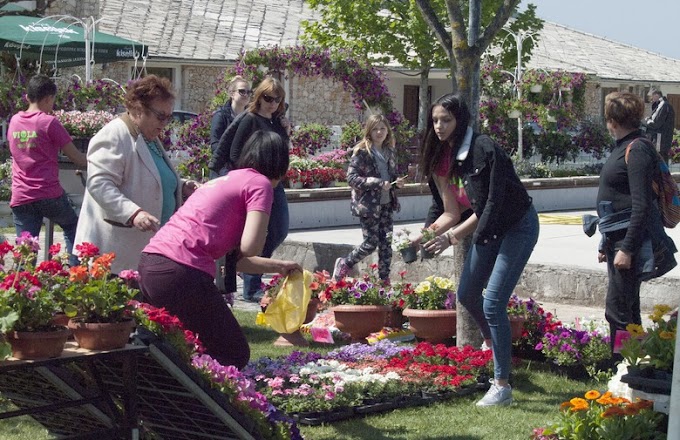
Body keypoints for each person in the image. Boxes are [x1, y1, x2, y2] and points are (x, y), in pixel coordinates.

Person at [138, 131, 301, 368]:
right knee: (232, 353)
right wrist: (263, 225)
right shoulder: (261, 184)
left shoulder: (225, 179)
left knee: (176, 348)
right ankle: (203, 401)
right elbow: (250, 246)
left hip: (152, 264)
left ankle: (170, 397)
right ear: (280, 164)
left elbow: (234, 259)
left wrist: (279, 266)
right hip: (182, 272)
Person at [416, 93, 539, 407]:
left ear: (461, 120)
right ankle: (492, 345)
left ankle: (502, 387)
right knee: (468, 294)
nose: (439, 126)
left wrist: (451, 239)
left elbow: (488, 207)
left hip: (516, 225)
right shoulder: (440, 158)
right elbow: (449, 212)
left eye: (446, 120)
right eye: (435, 120)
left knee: (493, 302)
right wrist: (420, 238)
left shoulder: (483, 149)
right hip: (490, 227)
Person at [74, 75, 198, 274]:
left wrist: (180, 185)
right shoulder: (114, 134)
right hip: (115, 255)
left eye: (169, 117)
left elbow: (152, 174)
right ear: (139, 110)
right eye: (161, 116)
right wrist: (133, 213)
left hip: (146, 251)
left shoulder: (148, 136)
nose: (165, 123)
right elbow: (99, 184)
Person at [595, 92, 677, 360]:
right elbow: (617, 202)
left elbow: (641, 205)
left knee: (618, 310)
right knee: (626, 309)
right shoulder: (625, 146)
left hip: (630, 242)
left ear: (612, 120)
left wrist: (627, 249)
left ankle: (622, 365)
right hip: (617, 240)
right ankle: (635, 363)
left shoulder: (637, 149)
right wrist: (605, 243)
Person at [212, 77, 292, 302]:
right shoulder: (249, 119)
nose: (272, 103)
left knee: (279, 230)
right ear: (260, 97)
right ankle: (251, 284)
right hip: (254, 186)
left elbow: (283, 151)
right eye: (268, 98)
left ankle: (250, 272)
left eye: (277, 100)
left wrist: (286, 130)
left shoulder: (277, 122)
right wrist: (251, 178)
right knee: (255, 236)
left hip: (274, 184)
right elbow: (235, 153)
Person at [7, 74, 87, 265]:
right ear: (48, 98)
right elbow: (77, 158)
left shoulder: (14, 121)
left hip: (21, 196)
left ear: (27, 97)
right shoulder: (49, 122)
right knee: (72, 227)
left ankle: (22, 290)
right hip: (48, 194)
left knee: (25, 252)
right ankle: (75, 275)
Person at [332, 114, 406, 282]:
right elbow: (352, 179)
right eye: (375, 129)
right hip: (369, 206)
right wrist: (377, 183)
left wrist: (396, 183)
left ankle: (384, 280)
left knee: (386, 245)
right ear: (369, 131)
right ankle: (345, 262)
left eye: (382, 128)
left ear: (387, 130)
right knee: (370, 243)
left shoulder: (389, 152)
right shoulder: (362, 152)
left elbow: (390, 177)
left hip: (386, 204)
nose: (379, 132)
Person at [209, 75, 252, 177]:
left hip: (242, 169)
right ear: (232, 94)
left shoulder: (250, 117)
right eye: (242, 91)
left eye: (249, 92)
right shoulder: (220, 115)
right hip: (223, 170)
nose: (246, 94)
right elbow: (215, 144)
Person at [645, 89, 676, 163]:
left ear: (656, 95)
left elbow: (656, 123)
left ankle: (661, 174)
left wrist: (646, 121)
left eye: (651, 97)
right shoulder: (665, 105)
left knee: (659, 157)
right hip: (664, 138)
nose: (651, 100)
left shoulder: (663, 105)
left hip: (659, 137)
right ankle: (664, 174)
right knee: (662, 157)